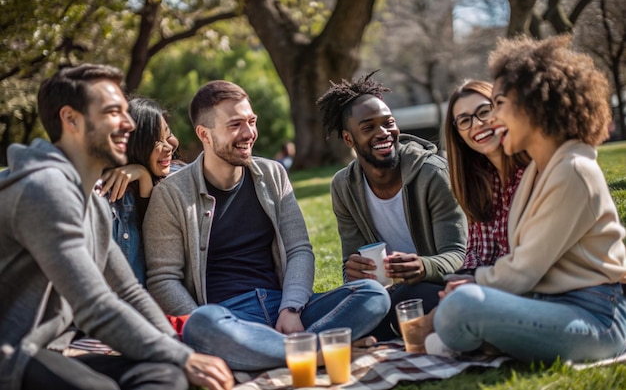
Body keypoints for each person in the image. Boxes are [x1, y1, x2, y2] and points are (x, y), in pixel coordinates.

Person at [0, 64, 233, 390]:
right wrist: (184, 357)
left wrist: (176, 350)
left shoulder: (90, 198)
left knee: (164, 373)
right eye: (113, 112)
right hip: (14, 353)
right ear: (71, 119)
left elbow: (128, 291)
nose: (129, 123)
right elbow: (95, 305)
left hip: (54, 348)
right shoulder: (44, 189)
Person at [142, 80, 391, 371]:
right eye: (235, 125)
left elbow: (299, 249)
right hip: (226, 319)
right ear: (204, 134)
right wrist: (197, 321)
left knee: (373, 294)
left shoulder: (273, 174)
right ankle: (316, 352)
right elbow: (163, 279)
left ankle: (276, 352)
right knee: (202, 324)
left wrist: (291, 307)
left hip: (284, 310)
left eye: (251, 121)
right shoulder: (171, 194)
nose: (248, 133)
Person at [434, 35, 626, 363]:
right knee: (455, 305)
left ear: (533, 105)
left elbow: (523, 269)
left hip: (597, 319)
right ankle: (496, 338)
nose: (491, 120)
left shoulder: (572, 170)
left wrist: (470, 284)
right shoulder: (541, 171)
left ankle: (491, 339)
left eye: (499, 106)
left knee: (459, 308)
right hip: (550, 305)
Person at [317, 72, 468, 341]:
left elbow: (458, 254)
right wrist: (352, 270)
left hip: (434, 286)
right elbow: (351, 266)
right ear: (349, 139)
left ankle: (379, 330)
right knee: (327, 305)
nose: (383, 133)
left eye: (388, 123)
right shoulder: (344, 187)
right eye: (368, 128)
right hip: (384, 294)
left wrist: (422, 266)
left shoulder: (432, 174)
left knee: (407, 298)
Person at [444, 80, 530, 271]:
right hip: (495, 282)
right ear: (458, 135)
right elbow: (478, 252)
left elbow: (529, 261)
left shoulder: (532, 171)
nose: (477, 124)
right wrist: (463, 279)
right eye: (465, 120)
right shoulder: (481, 181)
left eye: (484, 112)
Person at [98, 97, 182, 286]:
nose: (168, 147)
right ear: (134, 146)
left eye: (167, 135)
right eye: (155, 142)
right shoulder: (110, 196)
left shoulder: (180, 179)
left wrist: (144, 178)